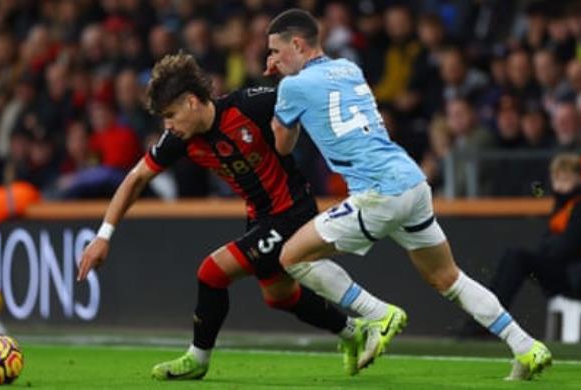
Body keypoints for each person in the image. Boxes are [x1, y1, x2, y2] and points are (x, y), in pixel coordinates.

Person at [265, 9, 551, 380]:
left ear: (298, 44)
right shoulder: (350, 67)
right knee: (447, 277)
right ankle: (526, 346)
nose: (272, 60)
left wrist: (279, 99)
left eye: (275, 51)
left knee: (291, 257)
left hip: (378, 191)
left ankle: (376, 314)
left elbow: (283, 146)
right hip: (411, 180)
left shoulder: (292, 86)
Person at [77, 53, 386, 381]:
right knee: (279, 296)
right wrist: (103, 235)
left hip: (291, 210)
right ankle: (355, 332)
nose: (168, 126)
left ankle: (198, 358)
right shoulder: (179, 140)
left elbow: (306, 98)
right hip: (260, 217)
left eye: (171, 115)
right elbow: (135, 179)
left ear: (193, 102)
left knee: (212, 273)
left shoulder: (250, 105)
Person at [490, 153, 581, 310]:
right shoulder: (563, 205)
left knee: (518, 258)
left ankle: (491, 315)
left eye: (566, 180)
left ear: (578, 179)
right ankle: (488, 311)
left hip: (576, 277)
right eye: (557, 180)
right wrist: (551, 245)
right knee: (513, 255)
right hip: (565, 271)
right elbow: (550, 244)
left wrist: (550, 245)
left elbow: (568, 247)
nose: (559, 186)